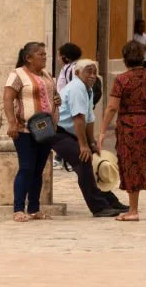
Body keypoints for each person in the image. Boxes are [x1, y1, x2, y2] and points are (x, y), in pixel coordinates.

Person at [97, 39, 146, 221]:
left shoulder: (122, 79)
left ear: (125, 59)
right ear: (142, 57)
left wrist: (102, 132)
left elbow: (112, 107)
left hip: (129, 128)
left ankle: (133, 210)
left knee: (131, 165)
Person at [53, 59, 127, 217]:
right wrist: (83, 145)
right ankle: (98, 207)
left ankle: (109, 201)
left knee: (93, 163)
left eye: (94, 72)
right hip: (60, 132)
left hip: (71, 133)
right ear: (78, 73)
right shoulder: (77, 88)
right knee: (84, 161)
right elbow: (78, 118)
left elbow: (89, 119)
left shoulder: (88, 89)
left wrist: (91, 142)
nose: (93, 76)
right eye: (89, 72)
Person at [2, 41, 57, 222]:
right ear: (28, 58)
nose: (44, 57)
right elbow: (8, 99)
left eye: (45, 54)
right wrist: (11, 123)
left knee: (38, 169)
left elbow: (52, 96)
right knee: (26, 167)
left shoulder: (47, 75)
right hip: (25, 129)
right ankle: (18, 208)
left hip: (45, 130)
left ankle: (34, 208)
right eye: (40, 54)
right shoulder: (17, 75)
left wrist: (56, 101)